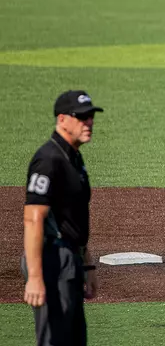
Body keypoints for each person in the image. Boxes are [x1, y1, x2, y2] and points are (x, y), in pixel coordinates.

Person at [22, 90, 104, 346]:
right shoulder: (48, 160)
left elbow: (74, 218)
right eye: (81, 117)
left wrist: (87, 265)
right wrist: (35, 277)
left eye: (90, 116)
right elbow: (33, 219)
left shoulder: (74, 158)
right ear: (62, 119)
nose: (88, 122)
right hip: (52, 260)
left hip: (70, 259)